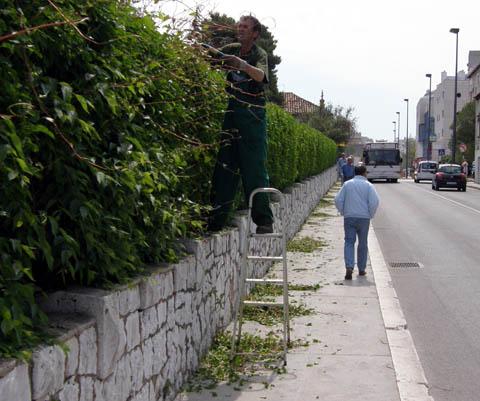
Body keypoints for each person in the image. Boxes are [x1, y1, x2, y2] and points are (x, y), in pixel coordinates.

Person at [208, 15, 274, 234]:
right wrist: (203, 49)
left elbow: (262, 76)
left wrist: (243, 65)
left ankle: (264, 220)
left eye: (245, 27)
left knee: (254, 168)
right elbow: (215, 57)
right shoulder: (233, 48)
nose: (240, 29)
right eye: (239, 26)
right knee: (224, 165)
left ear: (255, 33)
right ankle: (215, 219)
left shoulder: (259, 54)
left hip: (253, 115)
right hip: (232, 111)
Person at [334, 165, 380, 280]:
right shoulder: (369, 186)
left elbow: (338, 199)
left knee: (349, 242)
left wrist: (343, 211)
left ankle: (349, 266)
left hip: (349, 217)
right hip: (364, 218)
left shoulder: (347, 184)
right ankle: (362, 269)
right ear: (364, 173)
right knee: (363, 244)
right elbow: (374, 202)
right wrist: (371, 214)